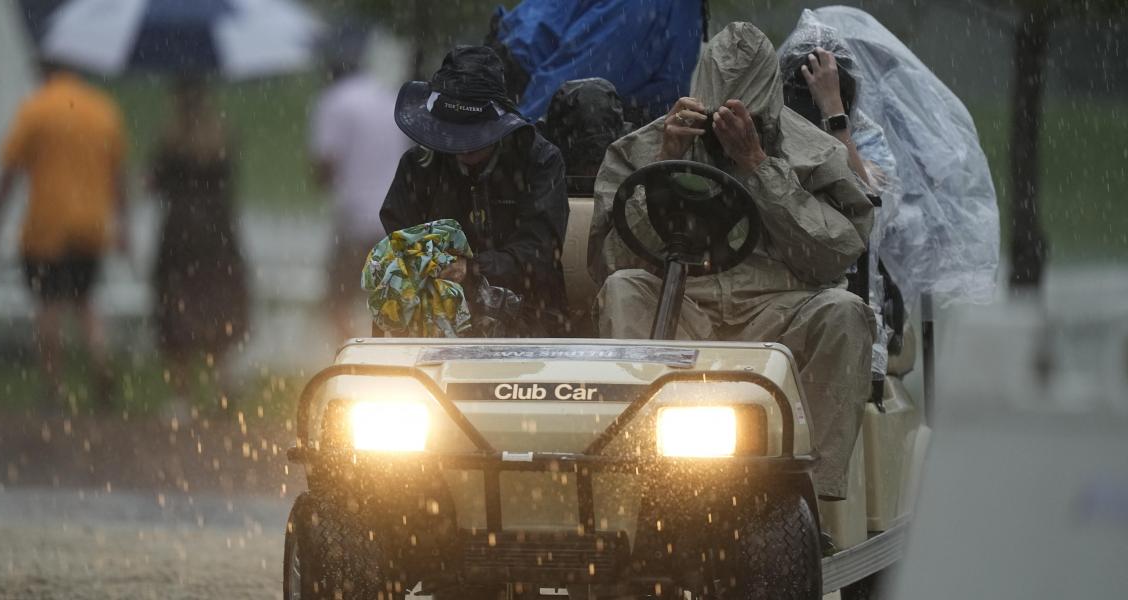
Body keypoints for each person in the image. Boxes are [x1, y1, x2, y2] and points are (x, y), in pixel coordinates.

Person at [588, 22, 876, 501]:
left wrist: (759, 166)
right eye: (717, 118)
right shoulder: (644, 148)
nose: (726, 130)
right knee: (623, 290)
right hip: (682, 310)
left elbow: (835, 256)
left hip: (777, 316)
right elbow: (609, 260)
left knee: (845, 314)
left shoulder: (814, 153)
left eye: (741, 118)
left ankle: (806, 498)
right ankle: (634, 477)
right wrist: (666, 160)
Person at [380, 45, 569, 337]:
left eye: (472, 134)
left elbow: (539, 253)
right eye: (453, 134)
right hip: (432, 317)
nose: (463, 146)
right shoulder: (418, 165)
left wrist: (473, 268)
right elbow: (397, 241)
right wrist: (425, 264)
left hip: (531, 318)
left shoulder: (540, 161)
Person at [0, 62, 127, 410]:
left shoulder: (37, 109)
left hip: (47, 227)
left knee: (49, 303)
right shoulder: (102, 109)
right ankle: (100, 364)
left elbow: (10, 169)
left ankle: (53, 386)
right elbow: (118, 174)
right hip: (91, 227)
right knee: (86, 303)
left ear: (44, 71)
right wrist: (124, 225)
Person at [778, 10, 904, 396]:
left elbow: (869, 201)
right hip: (776, 283)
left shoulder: (864, 137)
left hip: (847, 286)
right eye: (800, 93)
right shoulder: (765, 132)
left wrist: (833, 113)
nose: (806, 104)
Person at [149, 78, 250, 419]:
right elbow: (231, 185)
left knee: (176, 313)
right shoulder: (223, 135)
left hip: (179, 236)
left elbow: (152, 184)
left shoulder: (169, 139)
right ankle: (225, 390)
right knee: (218, 307)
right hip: (218, 234)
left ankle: (182, 397)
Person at [310, 22, 412, 338]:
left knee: (337, 301)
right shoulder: (389, 96)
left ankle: (351, 357)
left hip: (354, 221)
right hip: (392, 221)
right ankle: (386, 363)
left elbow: (324, 168)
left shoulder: (333, 101)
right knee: (391, 302)